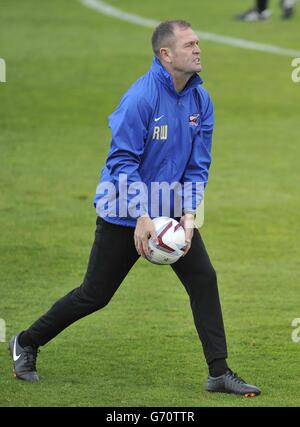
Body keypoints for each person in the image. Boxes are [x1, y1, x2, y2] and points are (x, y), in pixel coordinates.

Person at [9, 20, 261, 397]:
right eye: (189, 44)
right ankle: (27, 341)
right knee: (95, 295)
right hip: (123, 212)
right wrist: (142, 217)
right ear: (166, 54)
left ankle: (219, 372)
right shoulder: (140, 99)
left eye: (198, 43)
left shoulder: (200, 100)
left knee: (204, 280)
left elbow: (198, 165)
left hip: (171, 210)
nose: (198, 49)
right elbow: (122, 161)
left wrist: (189, 216)